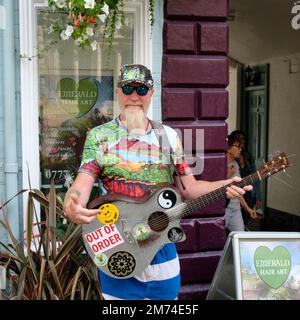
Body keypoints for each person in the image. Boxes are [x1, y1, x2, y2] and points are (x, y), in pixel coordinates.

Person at [63, 63, 253, 300]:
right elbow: (83, 183)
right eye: (128, 88)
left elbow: (190, 188)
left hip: (162, 250)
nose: (134, 96)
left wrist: (226, 185)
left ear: (151, 94)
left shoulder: (168, 136)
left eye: (142, 90)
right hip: (119, 250)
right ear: (118, 93)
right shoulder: (100, 136)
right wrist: (72, 203)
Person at [225, 134, 257, 232]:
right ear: (228, 148)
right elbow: (212, 186)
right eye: (238, 146)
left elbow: (238, 188)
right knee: (217, 239)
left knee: (239, 237)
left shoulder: (235, 164)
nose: (241, 149)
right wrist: (227, 175)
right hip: (224, 209)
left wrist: (247, 208)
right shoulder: (218, 163)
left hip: (236, 209)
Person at [230, 130, 262, 226]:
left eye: (242, 138)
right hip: (232, 194)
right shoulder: (231, 157)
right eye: (238, 138)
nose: (241, 140)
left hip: (247, 193)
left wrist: (258, 197)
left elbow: (255, 178)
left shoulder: (248, 156)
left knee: (244, 220)